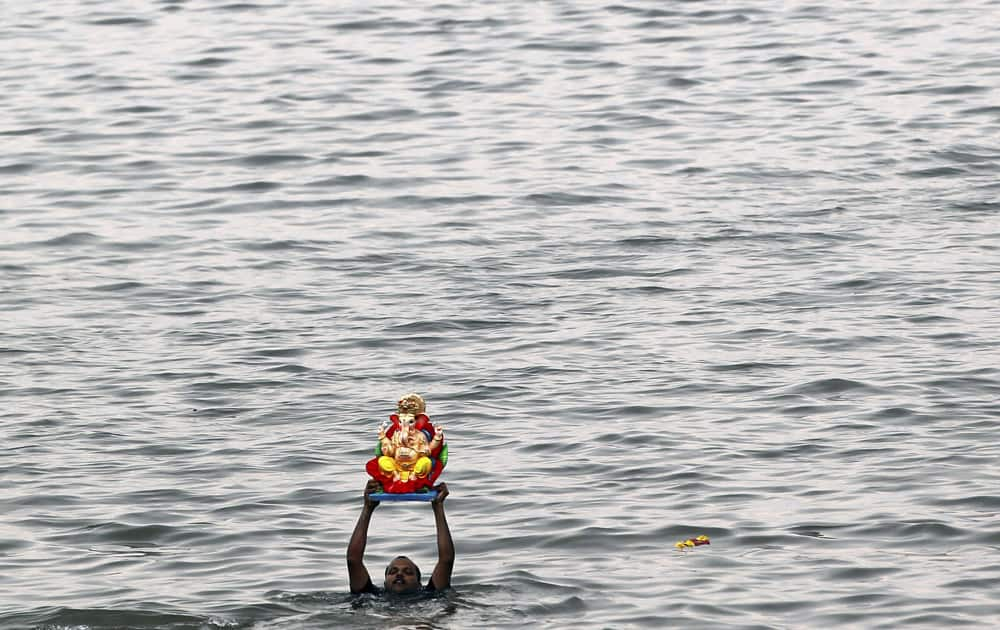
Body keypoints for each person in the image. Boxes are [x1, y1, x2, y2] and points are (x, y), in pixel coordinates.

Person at [347, 479, 454, 595]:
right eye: (393, 571)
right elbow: (353, 560)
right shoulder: (371, 594)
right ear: (384, 583)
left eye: (408, 572)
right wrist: (367, 508)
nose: (399, 574)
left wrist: (438, 507)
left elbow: (446, 559)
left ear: (419, 585)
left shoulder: (429, 594)